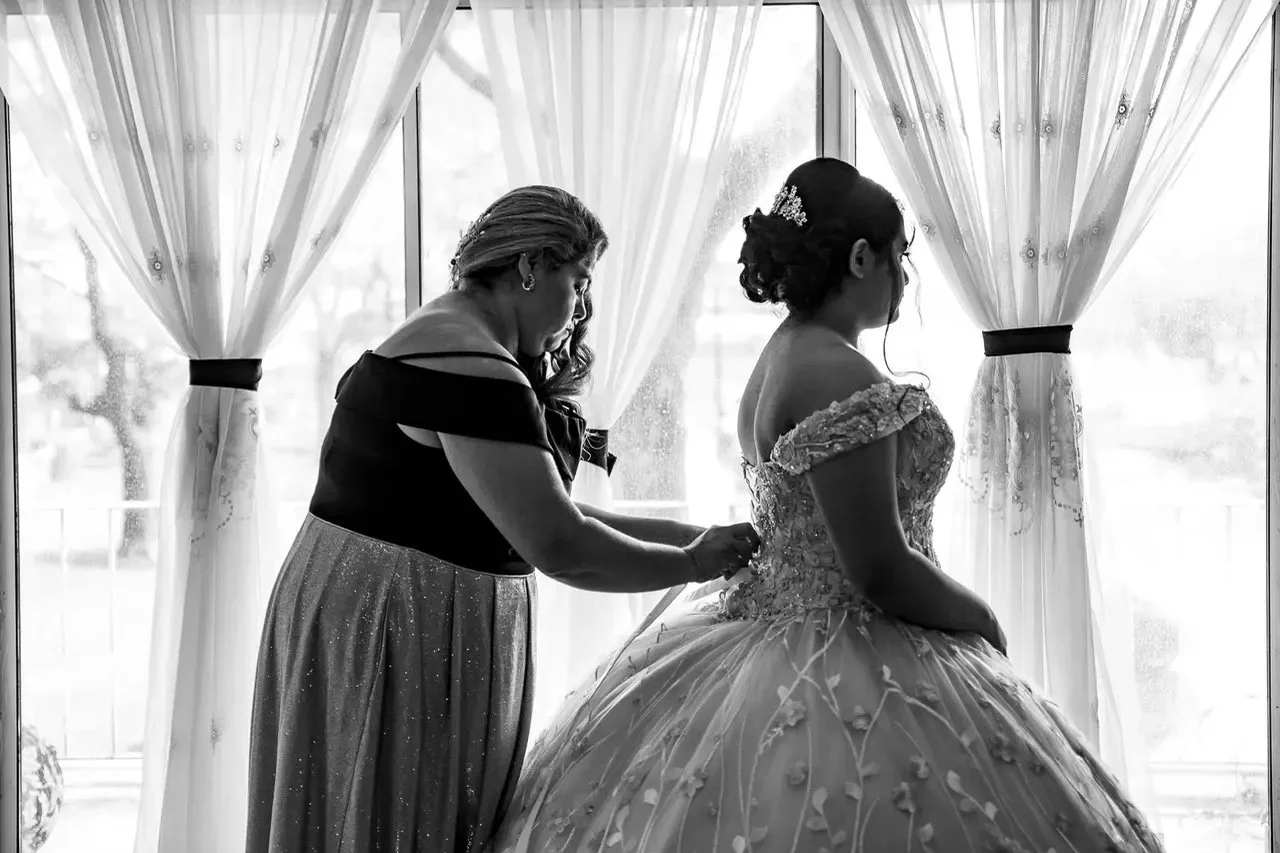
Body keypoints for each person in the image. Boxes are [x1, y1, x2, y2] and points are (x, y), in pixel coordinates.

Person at [487, 159, 1164, 853]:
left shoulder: (781, 353)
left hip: (775, 629)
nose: (905, 278)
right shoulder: (836, 372)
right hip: (850, 644)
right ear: (861, 258)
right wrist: (980, 616)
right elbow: (879, 568)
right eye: (900, 256)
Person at [244, 185, 760, 853]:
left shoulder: (443, 336)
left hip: (368, 608)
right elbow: (561, 544)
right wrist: (690, 564)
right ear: (530, 267)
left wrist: (697, 538)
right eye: (579, 282)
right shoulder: (472, 367)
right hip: (399, 627)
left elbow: (547, 510)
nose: (581, 309)